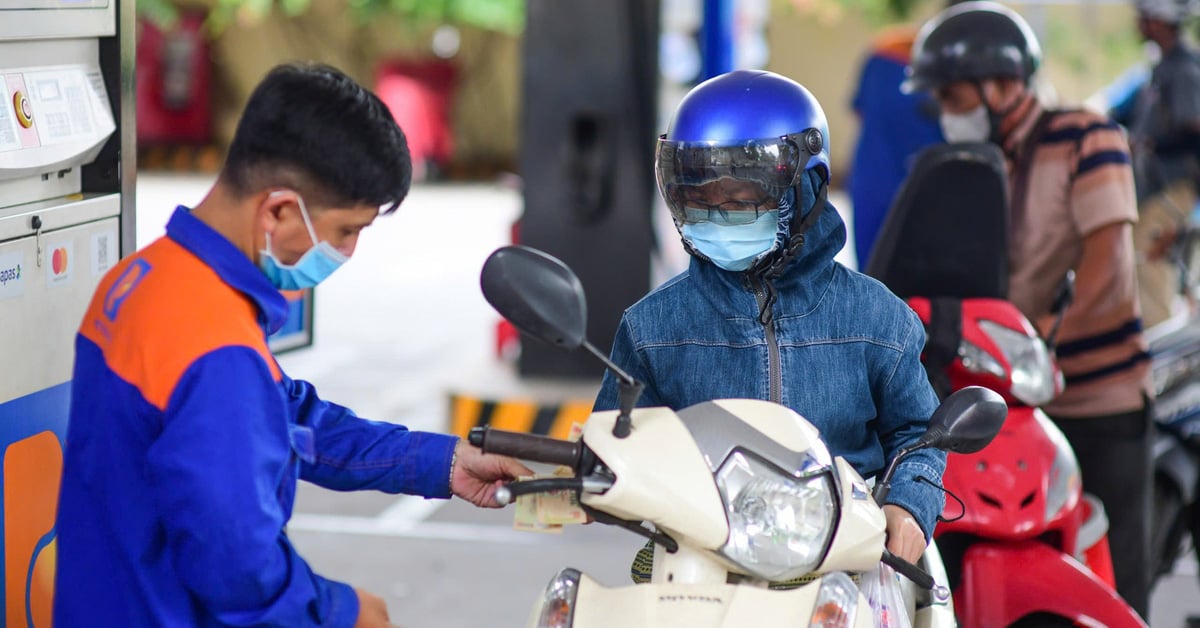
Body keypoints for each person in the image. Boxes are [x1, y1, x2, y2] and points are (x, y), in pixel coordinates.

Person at [53, 62, 531, 627]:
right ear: (279, 211)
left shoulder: (142, 280)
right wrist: (342, 613)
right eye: (346, 231)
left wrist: (443, 462)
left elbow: (289, 420)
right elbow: (235, 566)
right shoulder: (216, 348)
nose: (347, 253)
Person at [594, 69, 947, 575]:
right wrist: (602, 476)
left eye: (741, 201)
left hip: (845, 563)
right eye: (699, 201)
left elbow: (917, 432)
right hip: (698, 566)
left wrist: (910, 504)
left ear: (808, 188)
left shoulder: (879, 319)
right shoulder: (651, 328)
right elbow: (616, 443)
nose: (718, 219)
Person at [907, 2, 1154, 617]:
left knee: (1112, 581)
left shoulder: (1087, 136)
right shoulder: (971, 169)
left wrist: (1038, 338)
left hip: (1098, 396)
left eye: (953, 93)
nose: (945, 109)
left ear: (1001, 85)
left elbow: (1108, 263)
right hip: (1011, 403)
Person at [1123, 0, 1200, 328]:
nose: (1139, 23)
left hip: (1172, 189)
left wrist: (1150, 145)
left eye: (1144, 16)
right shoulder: (1165, 66)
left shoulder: (1184, 70)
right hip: (1157, 189)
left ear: (1159, 20)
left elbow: (1194, 128)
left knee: (1150, 270)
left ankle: (1162, 364)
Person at [848, 22, 946, 270]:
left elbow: (860, 110)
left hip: (873, 179)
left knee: (873, 278)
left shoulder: (885, 50)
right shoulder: (960, 72)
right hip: (920, 188)